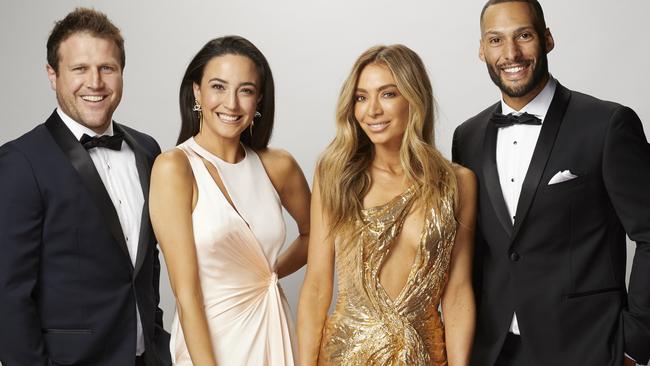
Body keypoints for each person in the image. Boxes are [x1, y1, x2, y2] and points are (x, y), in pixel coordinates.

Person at [452, 1, 650, 365]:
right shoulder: (467, 137)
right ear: (481, 50)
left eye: (523, 36)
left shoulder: (607, 124)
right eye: (495, 40)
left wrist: (634, 344)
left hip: (587, 348)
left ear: (547, 39)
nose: (510, 53)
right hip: (492, 351)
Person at [0, 8, 171, 366]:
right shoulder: (20, 161)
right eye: (80, 69)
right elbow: (8, 295)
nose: (95, 82)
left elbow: (146, 263)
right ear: (52, 75)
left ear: (121, 73)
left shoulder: (148, 150)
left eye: (107, 68)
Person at [297, 44, 477, 366]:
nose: (372, 111)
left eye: (388, 94)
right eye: (361, 97)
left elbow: (458, 292)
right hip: (347, 354)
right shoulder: (336, 174)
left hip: (424, 355)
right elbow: (316, 287)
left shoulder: (458, 183)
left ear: (414, 98)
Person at [149, 35, 311, 365]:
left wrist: (267, 274)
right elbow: (186, 294)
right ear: (197, 91)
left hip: (271, 328)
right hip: (210, 342)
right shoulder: (174, 168)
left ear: (259, 99)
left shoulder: (278, 166)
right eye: (219, 87)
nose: (232, 103)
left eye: (246, 90)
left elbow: (318, 235)